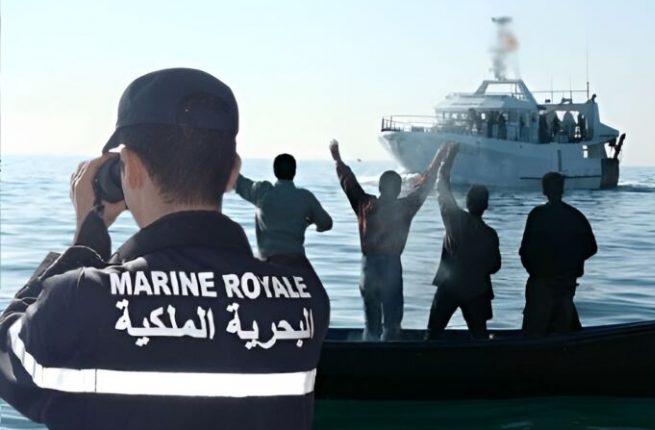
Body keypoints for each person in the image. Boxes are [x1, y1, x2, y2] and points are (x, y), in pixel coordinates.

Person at [0, 68, 329, 430]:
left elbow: (5, 351)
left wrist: (85, 245)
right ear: (233, 172)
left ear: (131, 169)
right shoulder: (305, 299)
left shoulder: (81, 299)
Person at [330, 139, 450, 341]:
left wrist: (337, 160)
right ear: (398, 189)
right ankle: (389, 351)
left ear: (379, 187)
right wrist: (440, 156)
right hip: (391, 266)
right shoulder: (404, 208)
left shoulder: (365, 205)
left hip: (368, 268)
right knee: (392, 323)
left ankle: (368, 350)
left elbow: (349, 183)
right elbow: (426, 184)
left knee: (371, 324)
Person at [426, 145, 501, 340]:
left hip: (449, 286)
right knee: (480, 336)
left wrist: (449, 157)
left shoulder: (455, 219)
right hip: (477, 289)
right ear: (486, 205)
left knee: (433, 334)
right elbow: (495, 266)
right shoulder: (490, 235)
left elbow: (442, 185)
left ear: (467, 202)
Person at [519, 172, 597, 336]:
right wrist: (572, 264)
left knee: (534, 331)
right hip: (566, 281)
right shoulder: (575, 216)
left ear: (544, 190)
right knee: (564, 328)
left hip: (541, 281)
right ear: (562, 189)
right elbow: (591, 248)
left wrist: (535, 270)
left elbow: (525, 250)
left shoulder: (537, 215)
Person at [234, 153, 332, 267]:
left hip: (268, 265)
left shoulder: (262, 193)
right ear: (294, 172)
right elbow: (326, 223)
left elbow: (238, 181)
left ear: (275, 171)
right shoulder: (305, 198)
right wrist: (311, 223)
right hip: (297, 264)